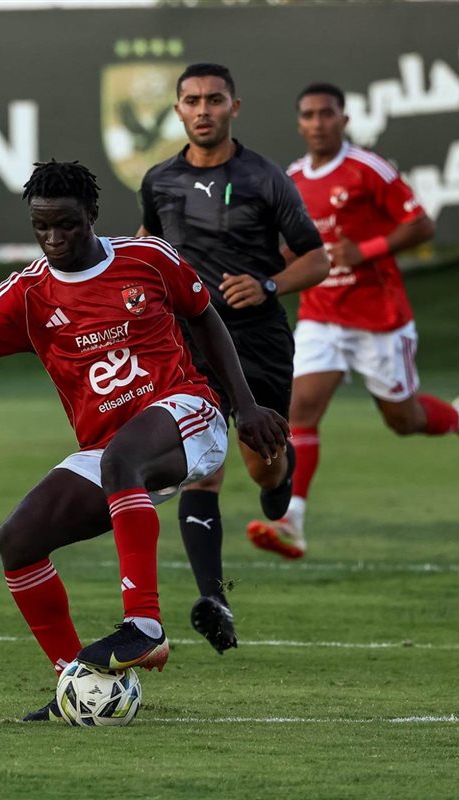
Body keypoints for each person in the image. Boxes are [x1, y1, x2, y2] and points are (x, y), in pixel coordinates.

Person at [0, 159, 289, 721]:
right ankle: (74, 685)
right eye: (42, 227)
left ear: (92, 215)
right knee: (18, 540)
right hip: (109, 452)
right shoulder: (27, 293)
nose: (54, 238)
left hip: (187, 413)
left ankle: (144, 624)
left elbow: (206, 318)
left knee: (121, 458)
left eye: (67, 225)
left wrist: (245, 404)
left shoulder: (148, 259)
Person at [246, 83, 459, 557]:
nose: (318, 122)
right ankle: (291, 520)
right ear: (299, 123)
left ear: (344, 119)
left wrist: (366, 250)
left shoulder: (369, 168)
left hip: (378, 318)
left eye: (327, 113)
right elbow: (294, 247)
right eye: (309, 114)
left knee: (403, 420)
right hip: (321, 315)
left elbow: (422, 225)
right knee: (300, 410)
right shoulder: (293, 177)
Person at [137, 62, 331, 652]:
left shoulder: (265, 177)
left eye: (215, 99)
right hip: (190, 343)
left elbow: (317, 258)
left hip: (258, 340)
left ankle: (281, 479)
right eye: (193, 100)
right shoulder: (159, 180)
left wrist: (270, 284)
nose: (204, 110)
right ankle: (213, 598)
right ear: (178, 109)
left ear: (234, 107)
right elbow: (148, 249)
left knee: (262, 465)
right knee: (203, 464)